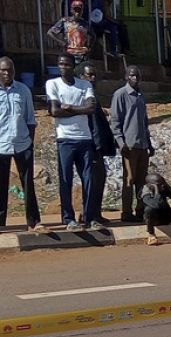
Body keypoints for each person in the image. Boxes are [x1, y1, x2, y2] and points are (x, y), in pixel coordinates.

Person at [46, 53, 98, 231]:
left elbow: (91, 108)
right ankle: (68, 219)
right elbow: (54, 111)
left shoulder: (85, 84)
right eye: (61, 64)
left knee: (89, 179)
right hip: (65, 138)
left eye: (67, 64)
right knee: (65, 179)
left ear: (73, 66)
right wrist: (80, 110)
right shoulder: (52, 84)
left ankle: (90, 217)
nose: (63, 67)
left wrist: (70, 107)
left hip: (84, 138)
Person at [0, 56, 44, 233]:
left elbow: (30, 119)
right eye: (3, 70)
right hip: (1, 145)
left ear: (14, 71)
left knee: (28, 185)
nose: (6, 73)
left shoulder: (23, 90)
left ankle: (34, 222)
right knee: (1, 186)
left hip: (22, 144)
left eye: (9, 70)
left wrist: (30, 144)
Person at [111, 65, 152, 224]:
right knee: (129, 179)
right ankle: (126, 212)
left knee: (142, 180)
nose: (135, 78)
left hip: (142, 145)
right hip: (129, 145)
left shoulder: (141, 95)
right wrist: (120, 143)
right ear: (126, 77)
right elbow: (115, 122)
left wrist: (149, 143)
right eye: (132, 75)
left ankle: (140, 210)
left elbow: (144, 122)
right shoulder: (120, 95)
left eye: (138, 76)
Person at [81, 63, 115, 226]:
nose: (92, 78)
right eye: (89, 75)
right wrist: (97, 146)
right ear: (82, 77)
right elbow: (92, 124)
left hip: (97, 146)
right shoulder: (84, 96)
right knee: (93, 180)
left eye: (94, 75)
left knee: (100, 179)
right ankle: (90, 215)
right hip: (91, 146)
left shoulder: (93, 94)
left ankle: (96, 212)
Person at [141, 173, 171, 246]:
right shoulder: (145, 191)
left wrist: (168, 188)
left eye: (163, 182)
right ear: (150, 185)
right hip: (155, 219)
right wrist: (157, 191)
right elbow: (155, 205)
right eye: (159, 184)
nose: (162, 185)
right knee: (148, 209)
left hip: (166, 215)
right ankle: (151, 235)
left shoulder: (163, 187)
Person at [48, 1, 94, 66]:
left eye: (79, 10)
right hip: (69, 54)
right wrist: (61, 42)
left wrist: (89, 47)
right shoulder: (65, 22)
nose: (77, 12)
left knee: (81, 73)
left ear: (82, 11)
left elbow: (93, 36)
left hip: (82, 56)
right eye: (75, 10)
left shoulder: (85, 24)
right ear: (71, 10)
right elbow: (50, 33)